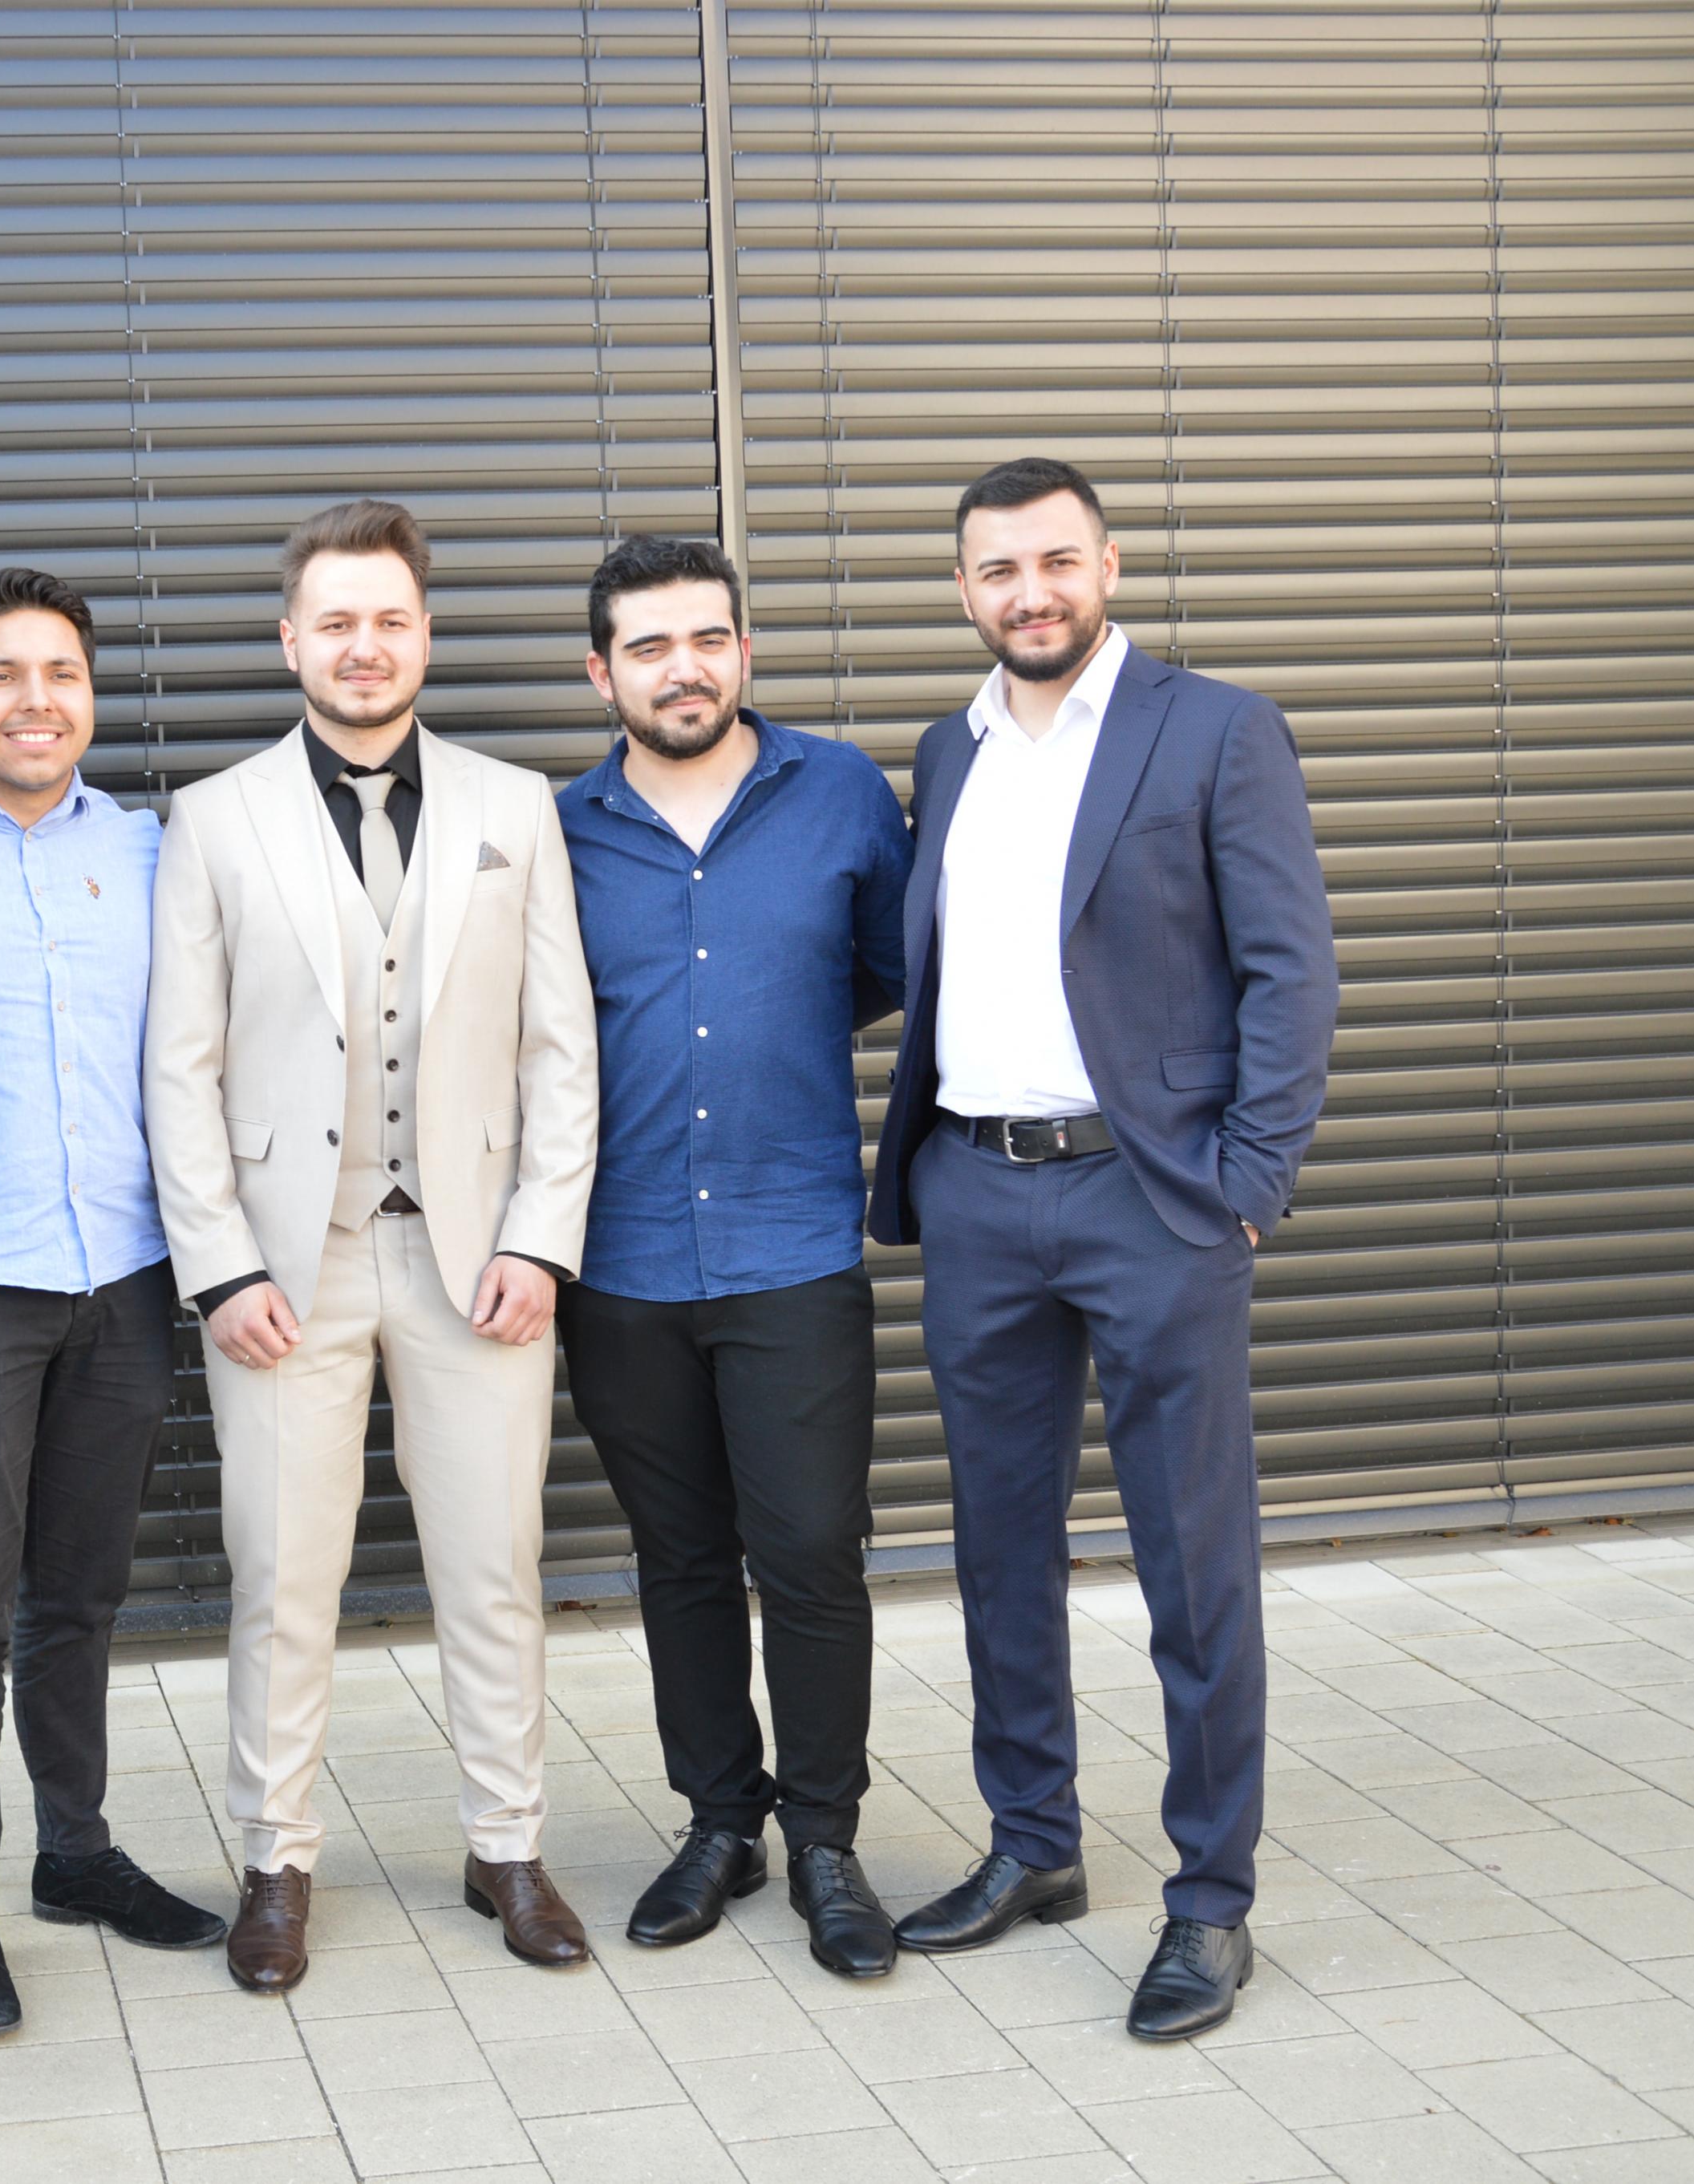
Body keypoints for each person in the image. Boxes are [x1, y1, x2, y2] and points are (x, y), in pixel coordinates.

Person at [866, 456, 1337, 2042]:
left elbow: (1290, 971)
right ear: (963, 589)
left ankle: (1209, 1901)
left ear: (1108, 564)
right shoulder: (949, 748)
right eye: (997, 569)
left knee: (1190, 1563)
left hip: (1152, 1201)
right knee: (998, 1549)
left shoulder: (1215, 730)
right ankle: (1035, 1844)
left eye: (1055, 560)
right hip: (975, 1195)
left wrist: (1244, 1181)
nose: (1030, 592)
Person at [145, 498, 602, 1992]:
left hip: (479, 1263)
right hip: (290, 1265)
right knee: (283, 1578)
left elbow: (561, 1049)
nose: (363, 645)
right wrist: (220, 1266)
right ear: (293, 641)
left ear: (424, 635)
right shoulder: (214, 818)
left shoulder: (515, 806)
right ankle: (275, 1862)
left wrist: (541, 1240)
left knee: (495, 1565)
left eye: (388, 619)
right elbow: (180, 1065)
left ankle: (506, 1846)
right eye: (335, 621)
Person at [0, 568, 230, 2037]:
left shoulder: (151, 851)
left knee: (80, 1594)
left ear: (90, 693)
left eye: (62, 672)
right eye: (2, 675)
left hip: (125, 1278)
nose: (36, 701)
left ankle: (75, 1851)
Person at [552, 536, 913, 1978]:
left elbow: (884, 970)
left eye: (707, 639)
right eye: (649, 646)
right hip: (621, 1261)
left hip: (792, 1245)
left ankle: (825, 1839)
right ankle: (721, 1823)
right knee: (681, 1559)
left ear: (743, 651)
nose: (683, 668)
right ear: (603, 674)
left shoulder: (842, 793)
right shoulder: (559, 831)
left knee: (813, 1553)